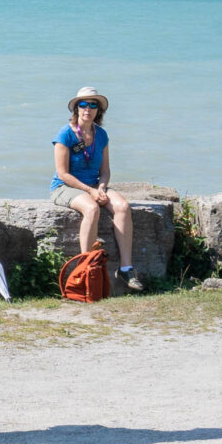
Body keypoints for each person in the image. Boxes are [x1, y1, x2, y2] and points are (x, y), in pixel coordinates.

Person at [48, 86, 143, 293]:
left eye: (93, 105)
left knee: (123, 206)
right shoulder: (65, 134)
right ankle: (85, 266)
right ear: (76, 109)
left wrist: (100, 187)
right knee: (92, 209)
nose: (87, 109)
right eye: (83, 104)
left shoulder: (101, 135)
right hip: (65, 187)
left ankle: (126, 268)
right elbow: (63, 173)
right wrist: (90, 192)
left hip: (94, 185)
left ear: (99, 111)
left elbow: (106, 171)